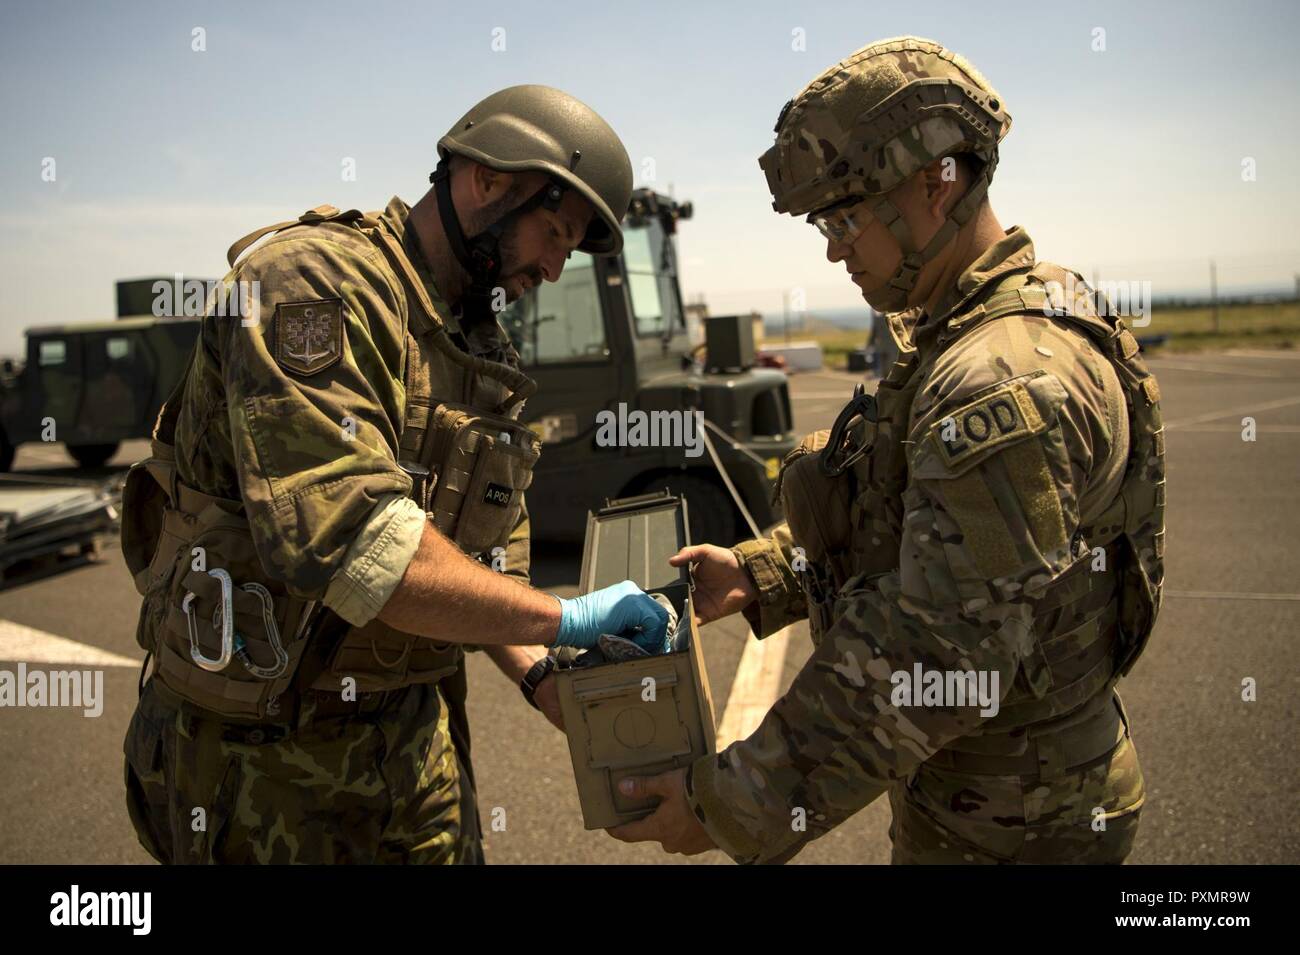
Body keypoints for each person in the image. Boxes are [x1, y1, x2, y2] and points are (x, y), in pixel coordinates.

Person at [610, 36, 1165, 865]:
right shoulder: (972, 331)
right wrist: (762, 574)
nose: (833, 248)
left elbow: (936, 648)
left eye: (845, 217)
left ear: (935, 184)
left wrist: (728, 802)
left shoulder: (996, 384)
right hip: (985, 800)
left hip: (1021, 823)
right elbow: (923, 540)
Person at [120, 85, 670, 864]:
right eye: (553, 232)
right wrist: (565, 617)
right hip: (259, 770)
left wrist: (550, 678)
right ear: (488, 181)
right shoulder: (309, 286)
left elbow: (481, 570)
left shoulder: (475, 350)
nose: (553, 268)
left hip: (407, 753)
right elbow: (357, 546)